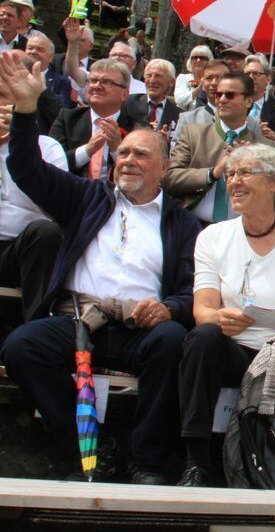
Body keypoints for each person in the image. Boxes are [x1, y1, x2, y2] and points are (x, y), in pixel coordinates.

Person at [0, 51, 201, 483]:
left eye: (140, 154)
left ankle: (146, 460)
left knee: (172, 341)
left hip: (139, 328)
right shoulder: (87, 197)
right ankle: (87, 448)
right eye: (122, 152)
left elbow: (191, 290)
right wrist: (26, 111)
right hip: (79, 321)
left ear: (164, 168)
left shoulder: (183, 224)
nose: (127, 159)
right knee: (21, 346)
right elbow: (27, 169)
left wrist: (169, 308)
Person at [176, 144, 275, 487]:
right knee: (202, 338)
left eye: (245, 173)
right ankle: (196, 462)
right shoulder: (212, 237)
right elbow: (202, 309)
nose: (234, 181)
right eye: (230, 174)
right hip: (235, 347)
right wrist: (219, 318)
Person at [164, 73, 274, 225]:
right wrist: (213, 172)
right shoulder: (193, 135)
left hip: (243, 228)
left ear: (249, 101)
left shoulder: (264, 147)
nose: (221, 100)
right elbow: (170, 178)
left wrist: (251, 170)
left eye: (230, 95)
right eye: (218, 94)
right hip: (193, 224)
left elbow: (273, 192)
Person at [0, 100, 65, 324]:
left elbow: (58, 209)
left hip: (21, 250)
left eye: (6, 96)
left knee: (46, 232)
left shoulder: (47, 148)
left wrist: (22, 145)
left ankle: (36, 328)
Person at [48, 59, 145, 178]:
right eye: (93, 80)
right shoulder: (67, 119)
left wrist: (117, 150)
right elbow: (51, 161)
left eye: (106, 82)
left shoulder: (137, 129)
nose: (97, 86)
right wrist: (87, 151)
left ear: (124, 94)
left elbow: (142, 172)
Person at [125, 59, 181, 133]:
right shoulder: (129, 103)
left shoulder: (179, 116)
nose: (152, 81)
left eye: (158, 76)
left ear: (171, 82)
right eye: (148, 76)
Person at [243, 54, 275, 140]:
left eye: (256, 73)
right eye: (247, 74)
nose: (251, 77)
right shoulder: (233, 106)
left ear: (268, 79)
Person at [174, 45, 214, 111]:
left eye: (202, 58)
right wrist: (199, 87)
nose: (198, 60)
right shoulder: (183, 78)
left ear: (209, 61)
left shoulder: (214, 80)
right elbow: (179, 101)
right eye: (195, 58)